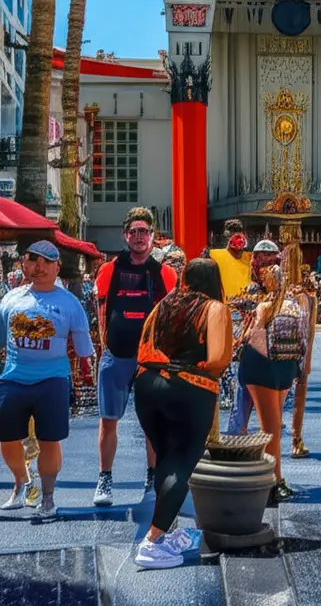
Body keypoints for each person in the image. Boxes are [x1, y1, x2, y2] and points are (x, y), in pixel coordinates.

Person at [134, 258, 233, 569]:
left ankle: (162, 533)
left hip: (146, 385)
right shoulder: (214, 308)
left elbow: (143, 347)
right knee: (181, 461)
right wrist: (200, 366)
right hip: (189, 389)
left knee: (165, 457)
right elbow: (218, 359)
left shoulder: (162, 305)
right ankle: (152, 540)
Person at [0, 241, 94, 518]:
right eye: (33, 260)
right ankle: (23, 483)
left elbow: (83, 343)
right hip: (13, 377)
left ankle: (48, 497)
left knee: (49, 439)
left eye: (46, 262)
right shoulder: (10, 299)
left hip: (53, 379)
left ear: (57, 267)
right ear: (24, 265)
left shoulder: (69, 302)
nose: (39, 267)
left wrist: (87, 370)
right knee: (6, 438)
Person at [93, 207, 177, 508]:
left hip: (151, 360)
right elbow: (100, 309)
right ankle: (105, 478)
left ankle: (153, 475)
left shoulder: (165, 273)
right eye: (134, 232)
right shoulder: (109, 270)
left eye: (144, 231)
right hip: (117, 356)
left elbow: (171, 316)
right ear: (125, 235)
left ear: (153, 236)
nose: (139, 237)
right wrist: (104, 348)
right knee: (108, 420)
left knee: (152, 421)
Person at [236, 260, 309, 502]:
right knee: (274, 424)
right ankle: (274, 479)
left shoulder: (264, 307)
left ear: (268, 283)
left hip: (262, 366)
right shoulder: (297, 305)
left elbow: (253, 336)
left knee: (270, 427)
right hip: (285, 367)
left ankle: (272, 481)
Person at [226, 239, 281, 436]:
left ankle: (248, 426)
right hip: (254, 345)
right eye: (260, 259)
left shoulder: (282, 294)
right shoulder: (252, 290)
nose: (264, 264)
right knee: (244, 385)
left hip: (272, 344)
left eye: (269, 261)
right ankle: (239, 427)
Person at [290, 263, 318, 459]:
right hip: (299, 351)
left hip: (278, 351)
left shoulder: (280, 293)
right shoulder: (307, 296)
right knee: (298, 394)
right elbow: (308, 332)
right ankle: (296, 439)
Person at [209, 223, 252, 301]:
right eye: (232, 232)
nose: (237, 235)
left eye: (239, 231)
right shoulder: (213, 255)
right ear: (226, 235)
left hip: (248, 308)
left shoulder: (251, 257)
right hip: (225, 307)